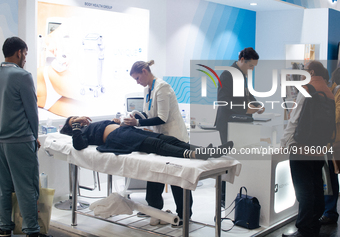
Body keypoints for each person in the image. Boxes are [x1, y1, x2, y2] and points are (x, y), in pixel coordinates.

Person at [125, 60, 192, 226]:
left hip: (175, 138)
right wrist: (138, 117)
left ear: (145, 71)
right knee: (154, 173)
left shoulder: (162, 87)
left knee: (177, 179)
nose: (137, 81)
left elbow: (162, 117)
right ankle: (154, 208)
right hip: (159, 139)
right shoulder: (148, 89)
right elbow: (150, 114)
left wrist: (138, 124)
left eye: (138, 77)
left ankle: (184, 215)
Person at [0, 37, 51, 237]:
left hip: (1, 142)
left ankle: (4, 227)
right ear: (19, 52)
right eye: (26, 54)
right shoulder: (22, 76)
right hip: (20, 140)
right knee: (26, 187)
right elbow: (32, 111)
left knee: (4, 187)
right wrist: (34, 135)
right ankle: (32, 230)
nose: (25, 59)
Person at [281, 61, 335, 237]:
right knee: (316, 185)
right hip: (319, 147)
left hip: (301, 147)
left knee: (303, 189)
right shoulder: (328, 91)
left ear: (311, 71)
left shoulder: (307, 88)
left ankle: (304, 229)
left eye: (305, 70)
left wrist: (285, 142)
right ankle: (313, 223)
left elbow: (294, 120)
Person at [214, 47, 264, 207]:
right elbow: (223, 100)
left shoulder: (241, 74)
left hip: (240, 124)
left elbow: (246, 93)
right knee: (228, 160)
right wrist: (245, 109)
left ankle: (233, 191)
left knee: (238, 159)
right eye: (251, 66)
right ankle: (223, 196)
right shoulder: (227, 74)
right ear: (242, 60)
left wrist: (256, 104)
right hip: (228, 124)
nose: (252, 69)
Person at [60, 116, 233, 158]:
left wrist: (113, 121)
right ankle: (195, 155)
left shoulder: (89, 125)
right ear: (72, 126)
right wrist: (75, 125)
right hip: (116, 138)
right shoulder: (79, 132)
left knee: (167, 139)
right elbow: (79, 146)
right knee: (154, 145)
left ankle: (207, 151)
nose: (79, 118)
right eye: (74, 119)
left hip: (124, 131)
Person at [319, 67, 340, 225]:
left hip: (334, 141)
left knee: (331, 175)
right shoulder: (333, 91)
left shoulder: (336, 92)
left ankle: (330, 212)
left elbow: (335, 114)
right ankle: (329, 211)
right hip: (333, 140)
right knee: (331, 175)